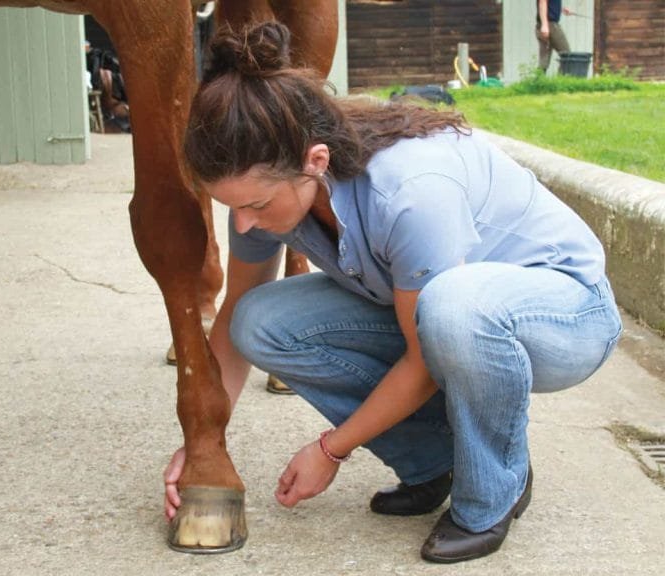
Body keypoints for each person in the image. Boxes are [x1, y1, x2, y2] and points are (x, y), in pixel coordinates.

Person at [163, 22, 622, 563]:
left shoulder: (408, 192)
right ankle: (435, 462)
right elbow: (234, 313)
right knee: (258, 321)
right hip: (446, 316)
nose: (242, 225)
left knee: (452, 310)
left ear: (315, 162)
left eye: (256, 206)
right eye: (231, 207)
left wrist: (331, 449)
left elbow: (424, 359)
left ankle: (493, 490)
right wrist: (203, 439)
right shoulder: (269, 191)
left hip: (567, 315)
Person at [537, 0, 571, 72]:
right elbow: (542, 2)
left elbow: (551, 3)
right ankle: (560, 78)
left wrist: (561, 9)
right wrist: (544, 25)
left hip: (546, 24)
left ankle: (539, 78)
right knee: (567, 56)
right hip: (550, 25)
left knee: (544, 59)